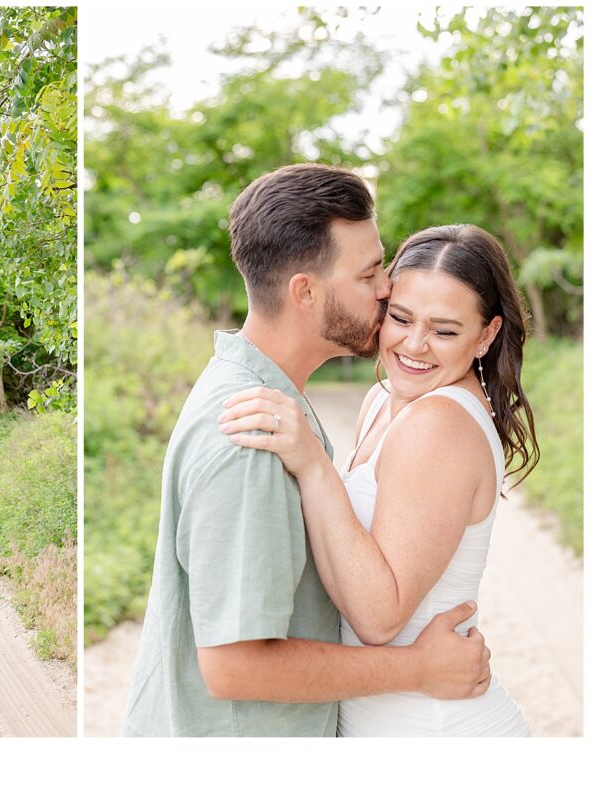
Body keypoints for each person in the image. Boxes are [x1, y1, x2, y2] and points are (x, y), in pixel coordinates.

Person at [122, 164, 491, 737]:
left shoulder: (273, 403)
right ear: (306, 291)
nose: (387, 288)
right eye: (370, 274)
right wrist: (416, 667)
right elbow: (234, 666)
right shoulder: (251, 436)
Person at [219, 224, 537, 735]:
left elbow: (378, 617)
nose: (414, 345)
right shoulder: (383, 401)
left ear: (486, 336)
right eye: (401, 317)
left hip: (435, 732)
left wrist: (315, 464)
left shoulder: (439, 423)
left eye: (445, 330)